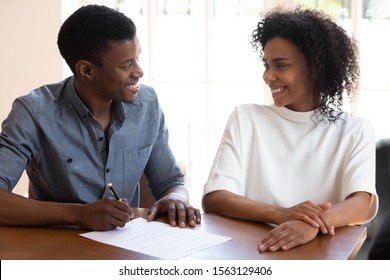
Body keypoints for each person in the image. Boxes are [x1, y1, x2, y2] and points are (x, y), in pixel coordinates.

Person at [0, 5, 201, 231]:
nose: (139, 72)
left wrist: (177, 198)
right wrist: (78, 214)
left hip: (124, 249)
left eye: (137, 58)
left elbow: (171, 183)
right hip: (56, 248)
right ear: (86, 70)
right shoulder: (33, 113)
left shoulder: (147, 104)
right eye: (127, 65)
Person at [202, 8, 377, 252]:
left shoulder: (354, 129)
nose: (268, 76)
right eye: (266, 65)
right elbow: (216, 198)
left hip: (318, 255)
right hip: (255, 251)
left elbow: (362, 203)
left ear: (315, 68)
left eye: (280, 66)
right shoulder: (246, 118)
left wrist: (313, 224)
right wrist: (285, 214)